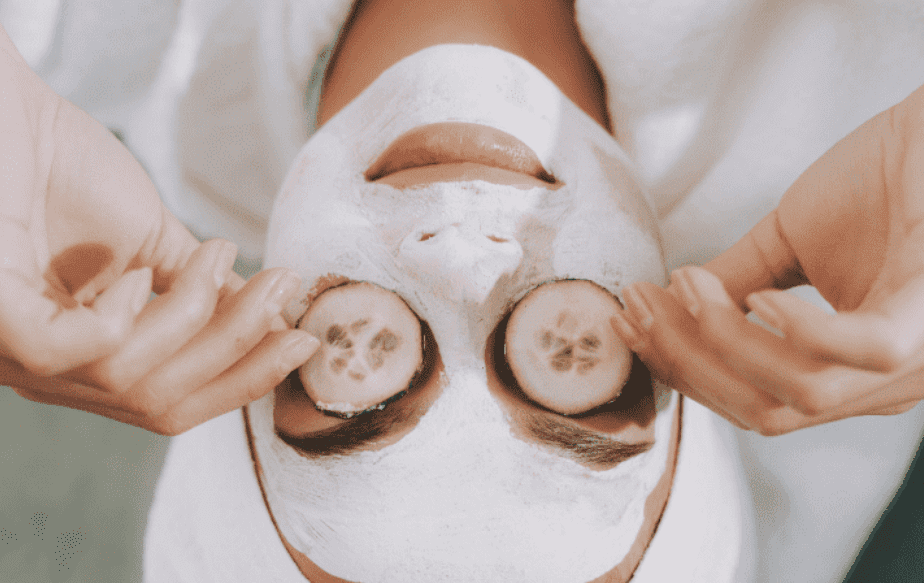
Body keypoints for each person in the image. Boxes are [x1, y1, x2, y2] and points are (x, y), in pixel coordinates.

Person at [1, 0, 923, 581]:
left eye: (346, 360)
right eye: (576, 366)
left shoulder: (88, 43)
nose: (458, 251)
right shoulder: (883, 79)